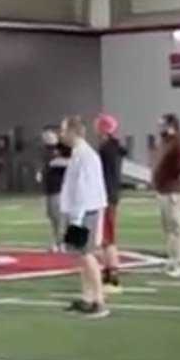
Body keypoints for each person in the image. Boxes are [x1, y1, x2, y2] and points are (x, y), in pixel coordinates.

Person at [59, 116, 110, 318]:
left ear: (73, 132)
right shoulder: (79, 154)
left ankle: (99, 300)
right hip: (81, 211)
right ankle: (88, 297)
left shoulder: (85, 156)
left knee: (87, 255)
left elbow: (84, 189)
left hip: (85, 211)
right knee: (80, 255)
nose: (61, 135)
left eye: (64, 130)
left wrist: (76, 219)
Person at [152, 113, 180, 278]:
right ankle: (173, 260)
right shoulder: (166, 142)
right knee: (170, 230)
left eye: (162, 124)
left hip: (176, 191)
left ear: (171, 125)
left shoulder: (179, 142)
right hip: (165, 190)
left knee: (179, 229)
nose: (159, 127)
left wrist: (175, 178)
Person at [95, 113, 126, 293]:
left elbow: (104, 176)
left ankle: (112, 276)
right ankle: (109, 272)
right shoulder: (113, 149)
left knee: (107, 238)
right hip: (112, 194)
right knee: (107, 237)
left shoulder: (106, 150)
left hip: (106, 196)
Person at [36, 126, 72, 251]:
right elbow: (45, 165)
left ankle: (64, 242)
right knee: (52, 215)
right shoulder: (44, 150)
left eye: (49, 135)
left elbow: (71, 162)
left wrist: (58, 162)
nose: (46, 137)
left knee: (61, 216)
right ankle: (57, 241)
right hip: (48, 187)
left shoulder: (64, 148)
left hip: (60, 187)